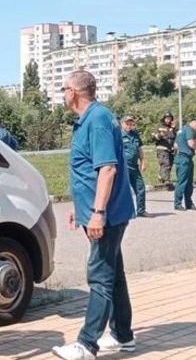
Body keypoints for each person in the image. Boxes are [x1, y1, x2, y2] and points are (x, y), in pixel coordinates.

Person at [52, 71, 136, 360]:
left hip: (106, 215)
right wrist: (81, 205)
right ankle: (123, 335)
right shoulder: (90, 119)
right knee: (114, 275)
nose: (63, 94)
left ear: (73, 92)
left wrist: (98, 212)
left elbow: (107, 169)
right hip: (99, 211)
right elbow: (87, 169)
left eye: (63, 89)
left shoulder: (97, 119)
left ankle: (87, 344)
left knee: (99, 277)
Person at [121, 116, 150, 218]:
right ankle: (124, 212)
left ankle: (141, 210)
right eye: (127, 123)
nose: (129, 126)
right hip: (123, 167)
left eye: (131, 124)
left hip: (134, 166)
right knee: (124, 190)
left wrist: (143, 161)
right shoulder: (118, 135)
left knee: (140, 187)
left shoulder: (135, 135)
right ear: (122, 124)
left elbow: (139, 149)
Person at [173, 118, 196, 211]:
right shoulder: (189, 130)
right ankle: (178, 204)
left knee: (187, 182)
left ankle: (188, 203)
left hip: (181, 158)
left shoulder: (181, 130)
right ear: (195, 123)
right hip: (184, 159)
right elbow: (191, 144)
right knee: (183, 182)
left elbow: (175, 145)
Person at [151, 110, 176, 188]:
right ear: (164, 118)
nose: (168, 120)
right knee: (165, 163)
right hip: (162, 148)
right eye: (167, 118)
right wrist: (160, 135)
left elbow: (175, 137)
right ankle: (167, 181)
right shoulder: (159, 127)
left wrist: (174, 129)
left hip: (171, 149)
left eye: (170, 119)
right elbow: (152, 138)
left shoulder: (172, 128)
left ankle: (161, 176)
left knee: (170, 164)